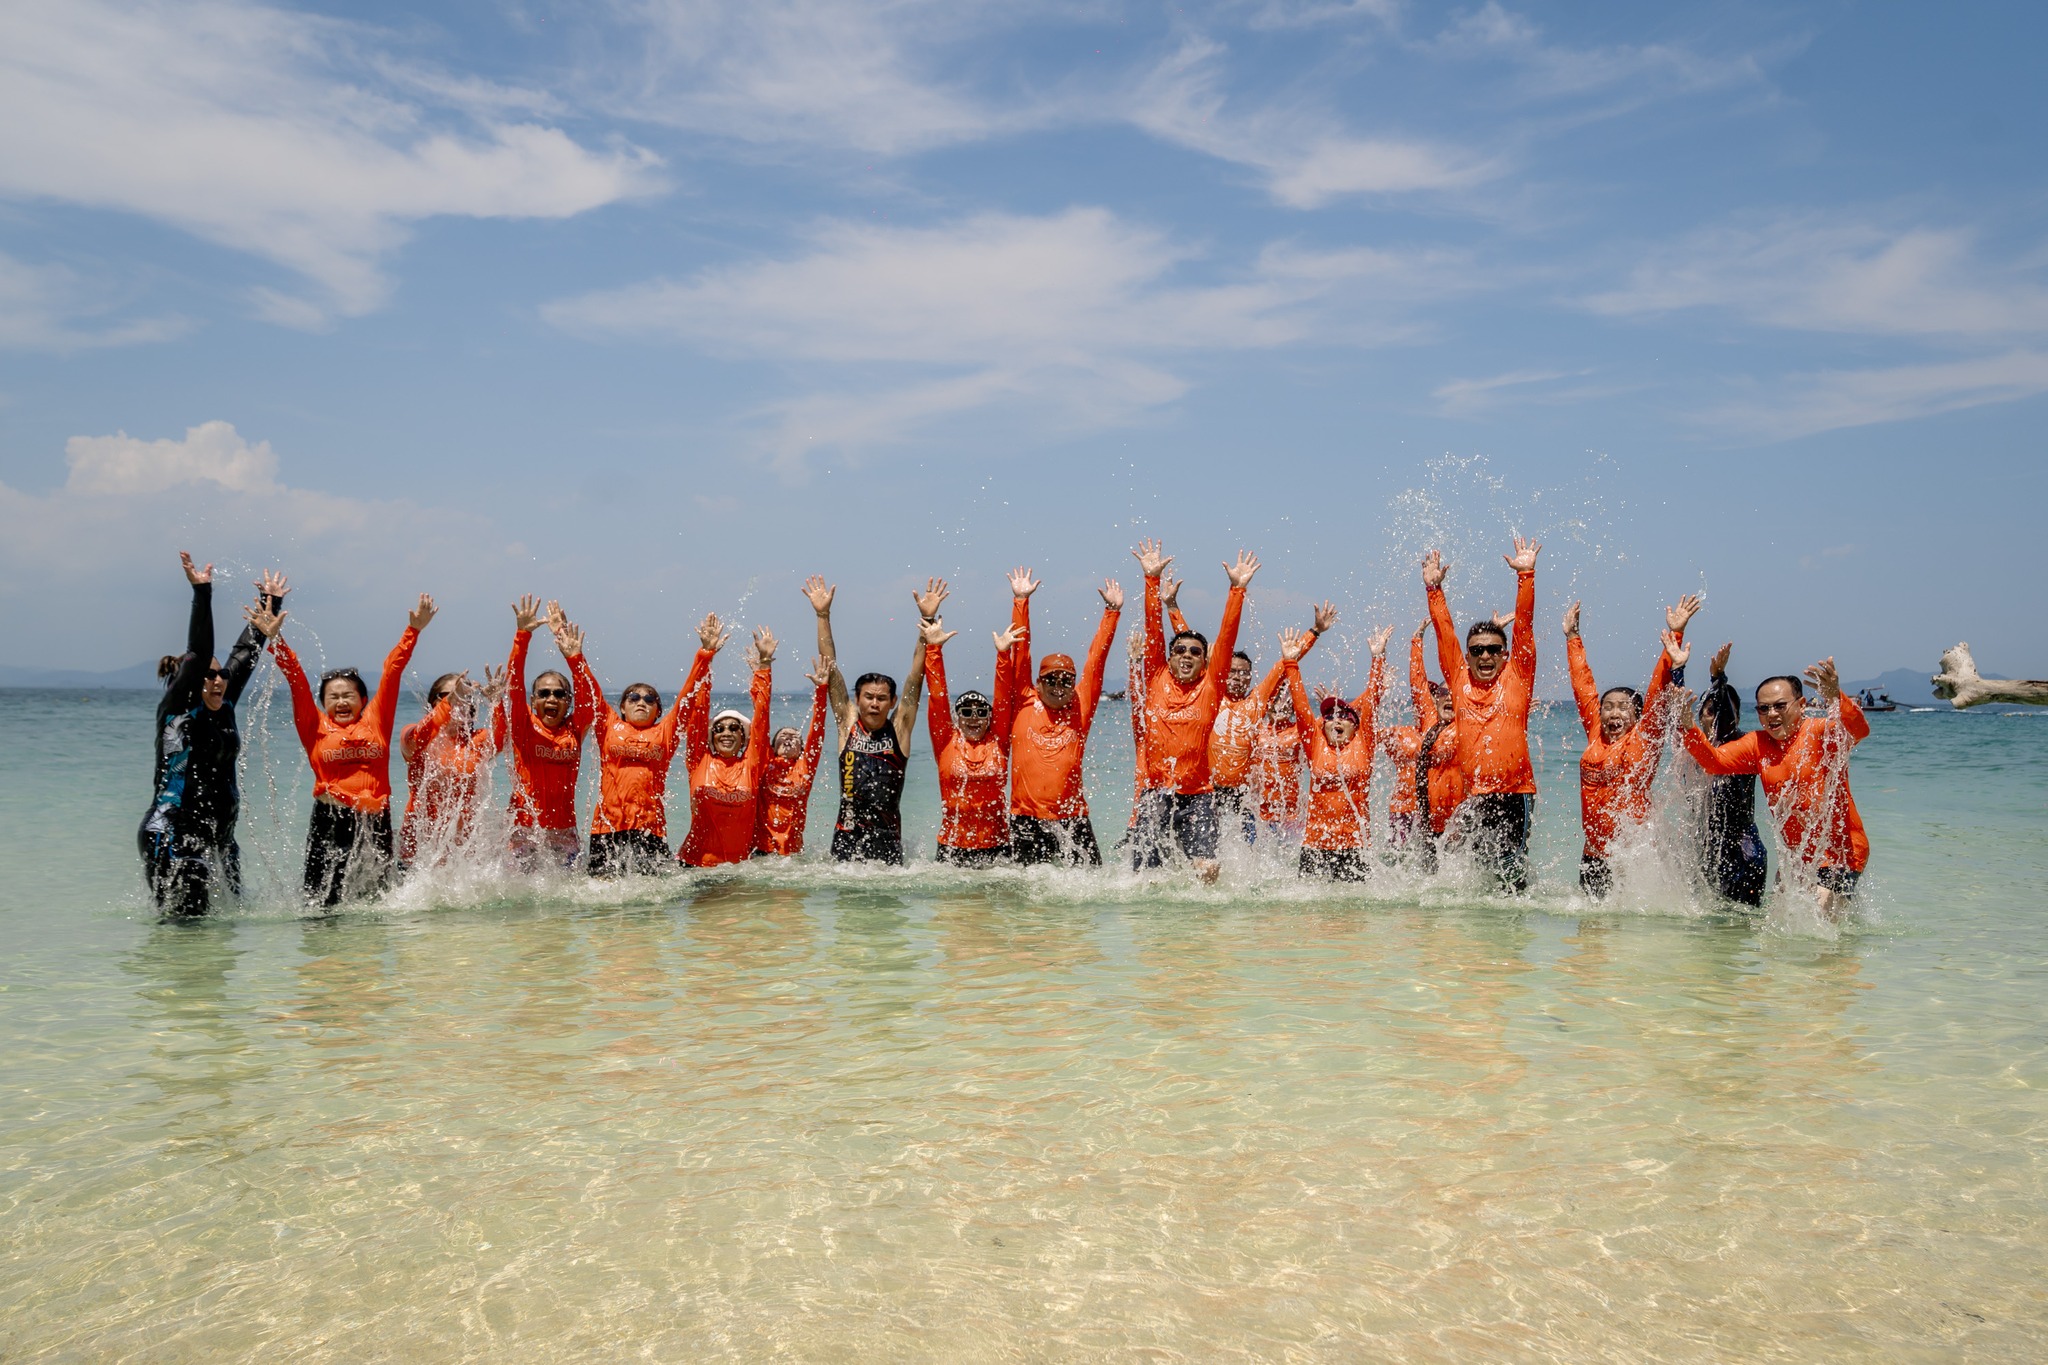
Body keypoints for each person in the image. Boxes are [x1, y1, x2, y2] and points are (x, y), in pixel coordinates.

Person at [264, 592, 436, 906]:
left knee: (377, 900)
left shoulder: (376, 721)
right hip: (331, 820)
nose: (342, 702)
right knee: (321, 904)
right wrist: (276, 640)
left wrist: (413, 631)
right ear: (323, 702)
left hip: (376, 820)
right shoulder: (314, 727)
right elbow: (296, 679)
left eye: (349, 696)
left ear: (363, 700)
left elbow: (392, 671)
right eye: (333, 697)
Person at [138, 553, 285, 916]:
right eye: (208, 675)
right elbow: (200, 650)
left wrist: (271, 602)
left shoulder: (225, 702)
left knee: (227, 926)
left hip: (220, 836)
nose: (218, 680)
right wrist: (202, 593)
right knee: (188, 926)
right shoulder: (178, 709)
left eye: (221, 675)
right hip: (171, 833)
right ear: (190, 681)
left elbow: (245, 652)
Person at [1681, 658, 1870, 914]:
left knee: (1817, 920)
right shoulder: (1757, 744)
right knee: (1780, 926)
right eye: (1763, 708)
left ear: (1801, 705)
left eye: (1780, 706)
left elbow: (1858, 730)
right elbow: (1714, 762)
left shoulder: (1821, 732)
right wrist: (1689, 727)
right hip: (1797, 857)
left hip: (1841, 853)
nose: (1771, 714)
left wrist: (1836, 698)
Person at [1128, 538, 1259, 880]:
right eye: (1180, 650)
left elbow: (1227, 639)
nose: (1186, 655)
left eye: (1195, 652)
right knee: (1144, 878)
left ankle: (1204, 917)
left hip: (1198, 797)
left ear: (1204, 661)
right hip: (1156, 795)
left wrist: (1237, 590)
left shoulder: (1210, 687)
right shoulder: (1156, 676)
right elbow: (1153, 629)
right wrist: (1151, 580)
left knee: (1208, 870)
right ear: (1169, 657)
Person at [1171, 586, 1336, 844]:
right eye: (1232, 671)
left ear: (1250, 676)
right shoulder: (1210, 695)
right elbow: (1190, 649)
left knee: (1247, 850)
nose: (1237, 677)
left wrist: (1315, 631)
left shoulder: (1256, 702)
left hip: (1243, 795)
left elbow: (1285, 663)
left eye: (1243, 673)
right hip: (1208, 790)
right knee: (1203, 848)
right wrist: (1172, 606)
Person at [1423, 536, 1540, 892]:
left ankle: (1515, 925)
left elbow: (1524, 629)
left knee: (1510, 876)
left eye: (1492, 649)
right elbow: (1444, 633)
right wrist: (1434, 589)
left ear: (1505, 654)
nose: (1485, 656)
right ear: (1468, 656)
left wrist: (1526, 576)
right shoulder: (1458, 681)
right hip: (1473, 797)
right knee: (1477, 880)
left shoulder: (1518, 678)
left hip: (1515, 794)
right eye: (1477, 651)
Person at [1564, 594, 1699, 897]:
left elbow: (1657, 690)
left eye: (1623, 707)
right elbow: (1583, 686)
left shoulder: (1644, 738)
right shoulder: (1596, 735)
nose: (1614, 713)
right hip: (1593, 855)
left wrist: (1676, 633)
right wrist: (1572, 637)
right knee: (1590, 925)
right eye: (1608, 707)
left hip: (1632, 857)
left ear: (1638, 716)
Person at [806, 574, 937, 864]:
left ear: (892, 702)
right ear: (857, 699)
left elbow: (916, 678)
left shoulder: (899, 728)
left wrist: (927, 621)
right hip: (846, 837)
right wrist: (822, 615)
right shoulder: (848, 724)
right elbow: (830, 667)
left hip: (887, 840)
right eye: (868, 697)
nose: (874, 703)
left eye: (881, 698)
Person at [586, 614, 726, 876]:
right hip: (606, 826)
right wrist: (575, 657)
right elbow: (589, 691)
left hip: (650, 828)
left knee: (652, 894)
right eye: (634, 697)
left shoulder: (665, 732)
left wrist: (705, 654)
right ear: (622, 707)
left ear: (658, 711)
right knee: (600, 891)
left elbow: (688, 696)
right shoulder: (608, 724)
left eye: (650, 699)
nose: (642, 702)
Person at [1003, 567, 1122, 866]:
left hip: (1073, 818)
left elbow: (1096, 660)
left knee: (1092, 884)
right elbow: (1021, 653)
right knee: (1026, 891)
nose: (1059, 686)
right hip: (1026, 818)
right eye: (1052, 680)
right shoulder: (1024, 700)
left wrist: (1111, 613)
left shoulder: (1080, 706)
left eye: (1066, 680)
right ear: (1038, 682)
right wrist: (1021, 601)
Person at [1281, 624, 1393, 880]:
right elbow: (1301, 707)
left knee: (1354, 905)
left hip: (1356, 845)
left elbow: (1372, 701)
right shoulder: (1315, 743)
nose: (1336, 720)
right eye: (1329, 717)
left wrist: (1377, 658)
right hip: (1315, 844)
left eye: (1344, 717)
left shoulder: (1364, 742)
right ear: (1323, 724)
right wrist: (1291, 663)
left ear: (1356, 726)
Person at [500, 597, 598, 870]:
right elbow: (514, 684)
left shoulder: (575, 729)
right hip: (523, 832)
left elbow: (590, 699)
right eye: (544, 693)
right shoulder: (524, 726)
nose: (552, 698)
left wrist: (573, 655)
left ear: (568, 701)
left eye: (559, 694)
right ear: (533, 701)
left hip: (564, 833)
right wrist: (522, 636)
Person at [924, 615, 1026, 866]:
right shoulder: (946, 742)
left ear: (989, 718)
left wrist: (1003, 655)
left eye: (981, 712)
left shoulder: (998, 741)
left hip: (997, 846)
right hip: (952, 846)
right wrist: (933, 650)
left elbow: (1004, 699)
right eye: (966, 712)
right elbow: (937, 698)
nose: (974, 718)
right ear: (957, 717)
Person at [678, 628, 775, 868]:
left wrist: (764, 665)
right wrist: (706, 655)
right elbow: (699, 709)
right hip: (694, 865)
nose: (726, 733)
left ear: (744, 738)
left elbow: (762, 718)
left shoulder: (752, 765)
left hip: (738, 868)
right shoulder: (698, 760)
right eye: (719, 729)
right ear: (711, 736)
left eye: (734, 728)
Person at [397, 664, 506, 866]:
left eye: (464, 696)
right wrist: (449, 704)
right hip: (419, 850)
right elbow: (415, 738)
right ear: (433, 704)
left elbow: (501, 738)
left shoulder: (477, 740)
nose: (457, 700)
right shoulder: (415, 736)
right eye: (447, 695)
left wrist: (496, 702)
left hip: (463, 853)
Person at [1688, 641, 1768, 906]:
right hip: (1707, 845)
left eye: (1723, 712)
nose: (1716, 718)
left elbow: (1725, 718)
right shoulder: (1692, 747)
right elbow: (1676, 708)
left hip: (1743, 851)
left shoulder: (1743, 746)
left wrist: (1718, 679)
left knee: (1741, 919)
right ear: (1700, 715)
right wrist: (1677, 666)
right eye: (1709, 711)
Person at [1382, 623, 1460, 859]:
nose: (1449, 698)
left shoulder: (1467, 727)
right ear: (1436, 700)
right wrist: (1416, 641)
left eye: (1455, 694)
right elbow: (1418, 683)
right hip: (1424, 816)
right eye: (1443, 694)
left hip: (1456, 818)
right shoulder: (1428, 724)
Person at [754, 653, 835, 859]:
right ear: (772, 747)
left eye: (795, 737)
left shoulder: (805, 767)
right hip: (761, 850)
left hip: (793, 855)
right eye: (783, 735)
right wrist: (763, 670)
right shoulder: (765, 763)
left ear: (802, 749)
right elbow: (761, 719)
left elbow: (817, 730)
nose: (789, 737)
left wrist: (821, 690)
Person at [1249, 686, 1308, 845]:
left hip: (1290, 814)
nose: (1280, 705)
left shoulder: (1299, 731)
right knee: (1254, 854)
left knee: (1289, 857)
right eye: (1275, 700)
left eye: (1286, 701)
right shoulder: (1255, 730)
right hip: (1257, 812)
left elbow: (1325, 728)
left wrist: (1333, 707)